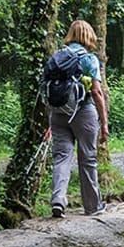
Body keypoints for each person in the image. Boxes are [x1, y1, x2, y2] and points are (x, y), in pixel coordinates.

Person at [49, 19, 109, 218]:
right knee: (87, 158)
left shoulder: (57, 57)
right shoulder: (89, 59)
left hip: (57, 113)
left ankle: (58, 199)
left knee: (61, 157)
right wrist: (104, 123)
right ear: (89, 36)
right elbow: (97, 92)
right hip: (83, 112)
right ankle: (93, 207)